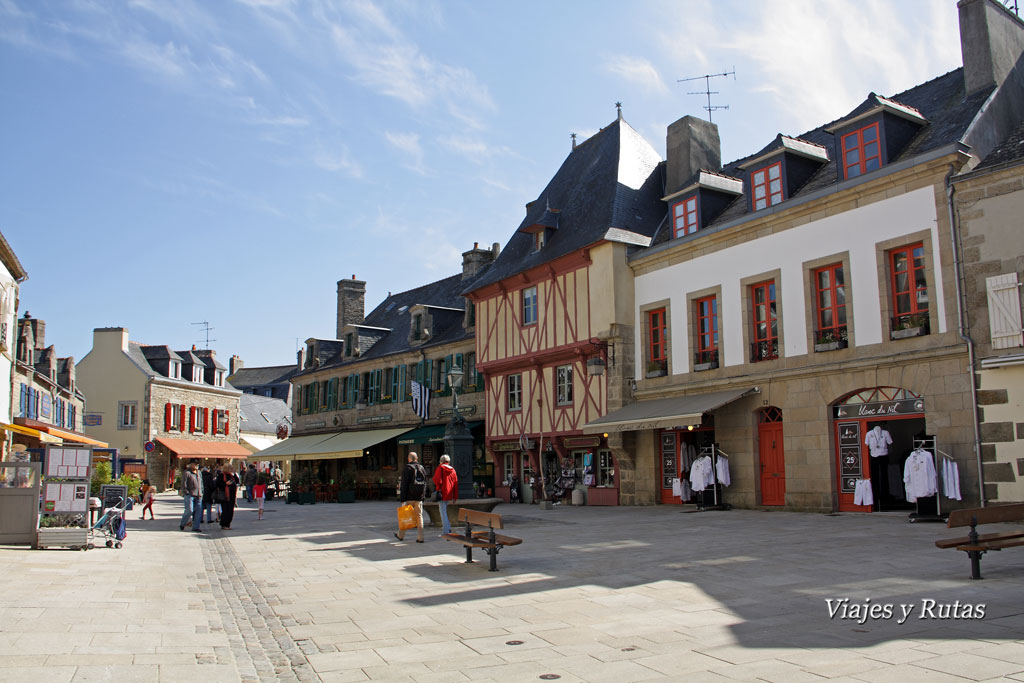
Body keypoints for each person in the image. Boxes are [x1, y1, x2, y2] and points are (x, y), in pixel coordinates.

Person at [395, 451, 427, 543]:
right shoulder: (421, 468)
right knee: (419, 517)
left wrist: (402, 498)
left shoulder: (407, 468)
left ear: (409, 459)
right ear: (416, 459)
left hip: (409, 497)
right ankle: (421, 537)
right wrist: (423, 496)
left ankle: (400, 535)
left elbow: (404, 484)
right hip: (419, 497)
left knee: (405, 516)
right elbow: (425, 483)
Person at [432, 454, 458, 535]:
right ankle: (448, 528)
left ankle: (446, 531)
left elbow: (437, 480)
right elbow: (456, 484)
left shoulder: (440, 468)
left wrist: (437, 488)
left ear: (441, 461)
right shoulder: (453, 470)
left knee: (442, 512)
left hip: (442, 493)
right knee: (444, 511)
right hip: (450, 493)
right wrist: (455, 497)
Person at [180, 462, 203, 532]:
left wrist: (202, 491)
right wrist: (186, 492)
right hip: (190, 494)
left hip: (199, 494)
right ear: (191, 465)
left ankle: (196, 527)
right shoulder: (187, 473)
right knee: (190, 510)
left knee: (198, 511)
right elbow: (184, 483)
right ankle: (183, 523)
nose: (196, 465)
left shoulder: (199, 473)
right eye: (195, 464)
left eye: (197, 464)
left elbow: (201, 483)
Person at [218, 464, 238, 530]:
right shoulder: (222, 475)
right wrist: (225, 484)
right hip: (225, 496)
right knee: (226, 511)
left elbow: (237, 481)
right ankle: (224, 524)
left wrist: (235, 474)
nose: (232, 469)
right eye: (231, 468)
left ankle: (228, 524)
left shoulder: (231, 476)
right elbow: (218, 484)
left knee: (230, 511)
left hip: (231, 496)